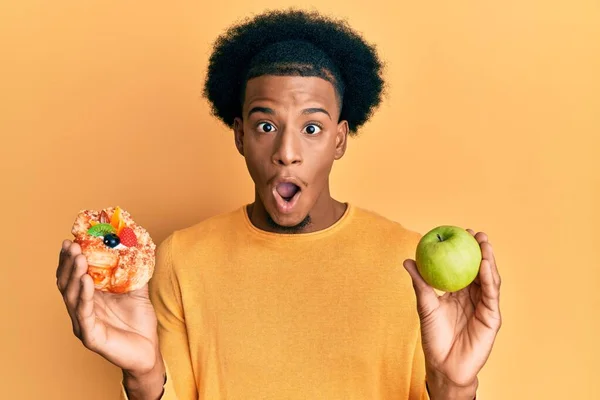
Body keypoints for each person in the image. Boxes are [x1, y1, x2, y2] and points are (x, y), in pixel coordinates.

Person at [55, 9, 501, 400]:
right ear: (240, 136)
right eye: (266, 125)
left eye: (312, 129)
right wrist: (144, 375)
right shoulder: (181, 261)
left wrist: (455, 386)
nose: (287, 151)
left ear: (340, 139)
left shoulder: (409, 266)